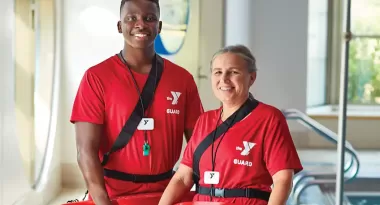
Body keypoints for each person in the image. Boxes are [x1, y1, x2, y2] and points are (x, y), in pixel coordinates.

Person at [70, 0, 204, 204]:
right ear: (119, 26)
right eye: (131, 18)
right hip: (114, 195)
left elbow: (200, 146)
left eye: (149, 18)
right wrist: (102, 201)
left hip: (168, 194)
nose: (140, 24)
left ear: (159, 26)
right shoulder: (96, 78)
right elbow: (85, 151)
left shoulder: (182, 79)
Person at [158, 44, 303, 205]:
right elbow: (183, 177)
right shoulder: (204, 120)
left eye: (233, 72)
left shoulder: (269, 118)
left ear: (252, 78)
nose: (224, 79)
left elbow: (283, 179)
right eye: (218, 72)